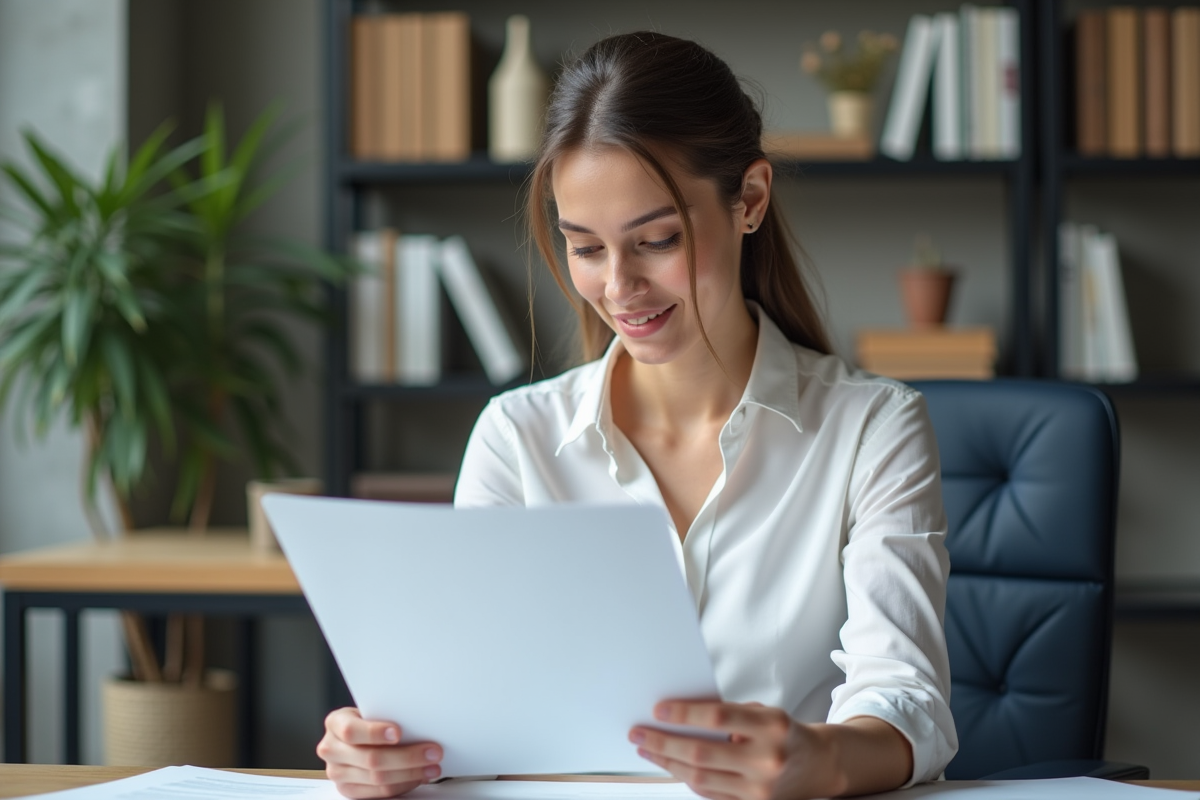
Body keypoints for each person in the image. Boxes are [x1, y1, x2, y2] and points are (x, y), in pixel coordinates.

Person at [318, 31, 957, 800]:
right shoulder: (517, 439)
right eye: (585, 248)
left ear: (749, 200)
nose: (620, 288)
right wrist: (389, 748)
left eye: (656, 241)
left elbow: (907, 702)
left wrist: (823, 759)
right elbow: (473, 710)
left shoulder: (872, 430)